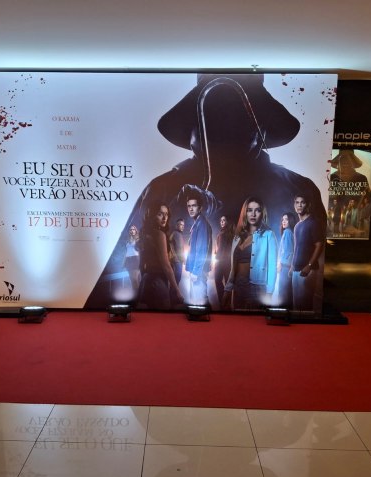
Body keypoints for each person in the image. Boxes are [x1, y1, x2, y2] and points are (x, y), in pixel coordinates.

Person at [84, 74, 326, 309]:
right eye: (216, 116)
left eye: (236, 117)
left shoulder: (299, 189)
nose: (226, 129)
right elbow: (116, 274)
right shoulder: (163, 188)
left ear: (262, 125)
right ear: (193, 126)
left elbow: (314, 268)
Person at [222, 197, 277, 310]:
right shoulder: (237, 237)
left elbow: (272, 266)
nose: (253, 214)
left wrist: (269, 293)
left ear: (262, 213)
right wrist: (228, 288)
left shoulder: (269, 235)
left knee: (254, 320)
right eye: (249, 210)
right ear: (245, 213)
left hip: (257, 288)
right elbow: (233, 268)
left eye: (257, 210)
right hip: (238, 287)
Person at [137, 202, 183, 309]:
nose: (164, 218)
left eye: (166, 214)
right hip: (158, 282)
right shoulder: (159, 234)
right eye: (160, 214)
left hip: (146, 281)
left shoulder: (145, 234)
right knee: (163, 316)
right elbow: (166, 266)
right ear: (152, 215)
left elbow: (141, 264)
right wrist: (177, 290)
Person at [290, 194, 324, 312]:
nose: (299, 205)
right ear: (294, 205)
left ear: (307, 205)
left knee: (305, 307)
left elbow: (319, 245)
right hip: (296, 270)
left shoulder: (313, 222)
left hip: (308, 270)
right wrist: (292, 266)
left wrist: (309, 266)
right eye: (297, 202)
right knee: (296, 306)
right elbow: (296, 247)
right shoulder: (297, 226)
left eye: (302, 202)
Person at [184, 189, 213, 305]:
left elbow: (201, 250)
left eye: (194, 206)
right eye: (189, 206)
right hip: (196, 270)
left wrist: (195, 272)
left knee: (200, 302)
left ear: (200, 208)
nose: (191, 209)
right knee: (197, 302)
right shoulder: (197, 223)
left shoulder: (202, 224)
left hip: (198, 272)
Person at [273, 212, 297, 308]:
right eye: (282, 219)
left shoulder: (287, 232)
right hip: (287, 267)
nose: (283, 221)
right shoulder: (290, 232)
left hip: (285, 268)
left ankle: (282, 312)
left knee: (283, 294)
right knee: (287, 293)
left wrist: (280, 263)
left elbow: (289, 252)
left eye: (286, 219)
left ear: (290, 221)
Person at [213, 215, 234, 306]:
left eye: (224, 220)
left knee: (224, 282)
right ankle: (225, 302)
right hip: (224, 262)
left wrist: (217, 256)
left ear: (227, 222)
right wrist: (216, 252)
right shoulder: (221, 234)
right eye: (221, 220)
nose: (222, 222)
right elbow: (219, 248)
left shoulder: (228, 234)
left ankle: (224, 303)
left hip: (225, 262)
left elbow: (223, 249)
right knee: (222, 282)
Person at [168, 218, 186, 287]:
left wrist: (183, 259)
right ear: (177, 225)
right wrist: (174, 255)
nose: (182, 226)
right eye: (181, 225)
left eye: (183, 225)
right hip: (176, 261)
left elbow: (181, 248)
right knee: (176, 279)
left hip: (179, 261)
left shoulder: (180, 235)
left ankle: (174, 292)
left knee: (177, 279)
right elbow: (169, 243)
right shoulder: (174, 233)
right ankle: (173, 292)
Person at [123, 224, 140, 292]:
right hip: (128, 260)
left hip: (135, 259)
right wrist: (123, 263)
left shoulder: (138, 239)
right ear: (129, 231)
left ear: (136, 231)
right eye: (131, 229)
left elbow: (140, 251)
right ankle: (135, 294)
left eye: (133, 229)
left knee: (135, 279)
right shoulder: (127, 240)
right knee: (131, 279)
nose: (132, 231)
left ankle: (138, 294)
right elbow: (126, 252)